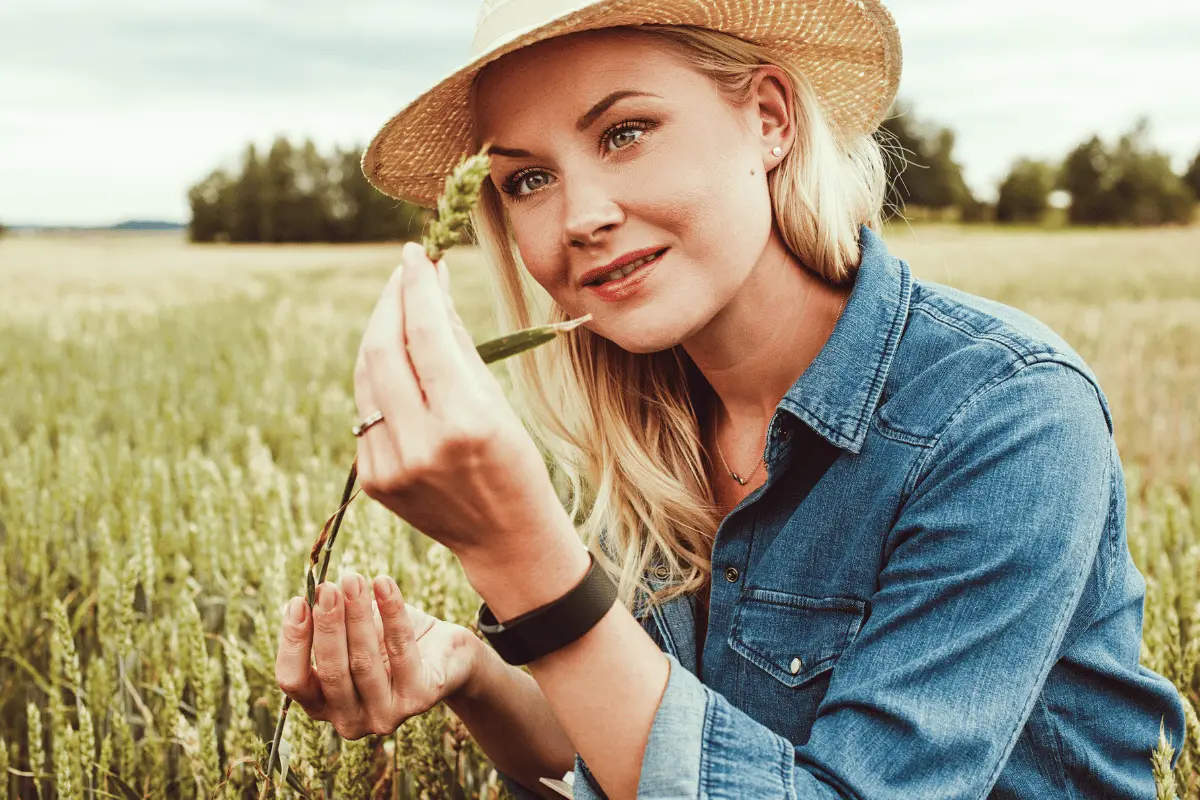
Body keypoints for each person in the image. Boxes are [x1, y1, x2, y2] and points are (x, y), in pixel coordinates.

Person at [274, 0, 1188, 797]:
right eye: (529, 179)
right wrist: (475, 674)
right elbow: (645, 743)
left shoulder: (1004, 415)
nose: (581, 216)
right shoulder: (641, 427)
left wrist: (522, 563)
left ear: (768, 118)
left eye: (624, 132)